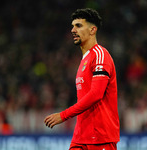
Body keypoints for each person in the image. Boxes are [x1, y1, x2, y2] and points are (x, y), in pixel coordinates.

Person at [44, 8, 120, 150]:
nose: (73, 30)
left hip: (100, 137)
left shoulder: (100, 55)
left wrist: (63, 115)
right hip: (81, 137)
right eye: (72, 26)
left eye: (78, 25)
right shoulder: (84, 60)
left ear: (92, 30)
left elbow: (96, 94)